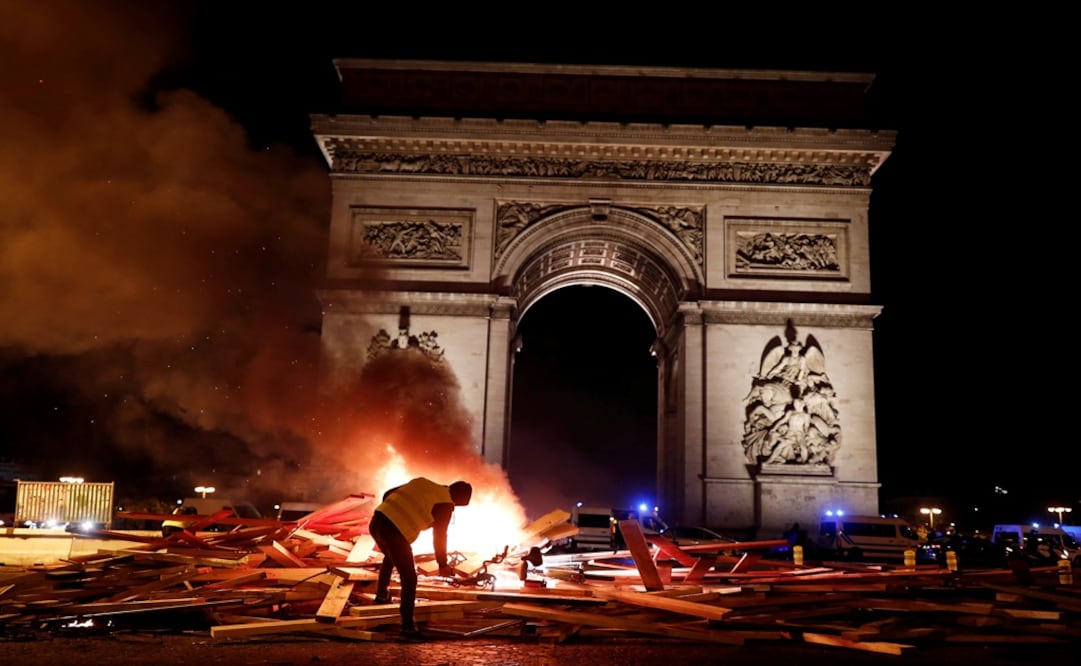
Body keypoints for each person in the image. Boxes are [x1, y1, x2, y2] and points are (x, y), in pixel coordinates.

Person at [368, 477, 472, 639]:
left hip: (377, 522)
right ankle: (408, 626)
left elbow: (389, 493)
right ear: (457, 500)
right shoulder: (445, 504)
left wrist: (390, 513)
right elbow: (439, 536)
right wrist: (442, 564)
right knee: (409, 578)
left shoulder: (424, 483)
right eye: (457, 505)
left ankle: (382, 596)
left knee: (389, 557)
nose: (454, 509)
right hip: (394, 532)